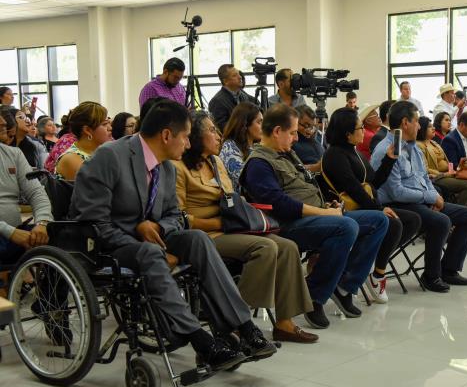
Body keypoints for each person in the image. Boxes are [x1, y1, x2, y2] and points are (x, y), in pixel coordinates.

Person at [70, 99, 274, 368]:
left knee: (197, 240)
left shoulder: (165, 166)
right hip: (109, 244)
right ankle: (200, 340)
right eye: (186, 137)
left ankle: (244, 328)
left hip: (150, 239)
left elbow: (175, 216)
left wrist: (156, 227)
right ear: (166, 135)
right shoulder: (111, 156)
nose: (189, 144)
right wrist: (138, 229)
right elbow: (93, 221)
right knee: (151, 253)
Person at [239, 103, 388, 328]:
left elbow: (306, 186)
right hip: (287, 225)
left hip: (315, 216)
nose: (296, 138)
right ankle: (315, 295)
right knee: (346, 227)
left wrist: (329, 204)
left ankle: (344, 286)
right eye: (292, 133)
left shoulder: (287, 154)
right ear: (277, 131)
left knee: (378, 220)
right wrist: (325, 212)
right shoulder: (259, 163)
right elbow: (279, 204)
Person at [174, 112, 317, 343]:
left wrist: (236, 219)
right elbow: (179, 217)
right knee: (265, 247)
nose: (219, 135)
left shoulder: (216, 161)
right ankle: (238, 323)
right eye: (211, 130)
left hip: (231, 227)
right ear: (195, 136)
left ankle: (284, 323)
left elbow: (230, 198)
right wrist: (219, 222)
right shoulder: (178, 167)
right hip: (205, 234)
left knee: (288, 247)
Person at [372, 101, 467, 293]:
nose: (420, 126)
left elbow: (424, 177)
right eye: (416, 121)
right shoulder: (386, 150)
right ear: (405, 123)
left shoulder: (413, 147)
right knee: (441, 221)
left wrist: (433, 196)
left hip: (420, 199)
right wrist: (429, 198)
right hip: (399, 204)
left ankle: (449, 269)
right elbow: (396, 192)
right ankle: (431, 276)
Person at [322, 107, 422, 303]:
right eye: (359, 128)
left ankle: (373, 266)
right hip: (349, 211)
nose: (364, 131)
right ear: (348, 133)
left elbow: (373, 184)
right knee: (394, 223)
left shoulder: (355, 152)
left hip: (365, 205)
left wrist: (389, 159)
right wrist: (379, 209)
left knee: (413, 220)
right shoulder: (335, 155)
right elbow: (354, 190)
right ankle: (375, 274)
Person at [417, 116, 467, 234]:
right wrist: (446, 173)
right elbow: (426, 169)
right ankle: (455, 217)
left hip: (449, 173)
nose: (433, 128)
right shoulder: (419, 146)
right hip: (437, 177)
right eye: (430, 126)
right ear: (421, 129)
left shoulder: (434, 143)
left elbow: (448, 162)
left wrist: (456, 169)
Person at [0, 113, 52, 264]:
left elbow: (36, 192)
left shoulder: (13, 153)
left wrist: (42, 223)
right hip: (9, 234)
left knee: (60, 235)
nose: (4, 122)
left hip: (16, 232)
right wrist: (11, 233)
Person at [55, 102, 113, 181]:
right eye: (105, 124)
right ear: (87, 130)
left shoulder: (100, 151)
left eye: (109, 123)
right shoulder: (71, 159)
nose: (110, 128)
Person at [219, 102, 262, 192]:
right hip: (241, 202)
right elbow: (247, 180)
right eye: (259, 122)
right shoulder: (229, 147)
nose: (263, 127)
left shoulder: (256, 147)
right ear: (245, 125)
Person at [208, 64, 257, 132]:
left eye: (239, 74)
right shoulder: (217, 101)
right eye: (234, 75)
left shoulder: (244, 96)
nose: (240, 77)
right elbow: (221, 128)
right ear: (225, 81)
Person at [292, 105, 324, 172]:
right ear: (294, 122)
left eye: (312, 127)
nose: (310, 132)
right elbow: (290, 170)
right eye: (306, 126)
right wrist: (315, 168)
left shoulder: (317, 139)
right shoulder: (290, 144)